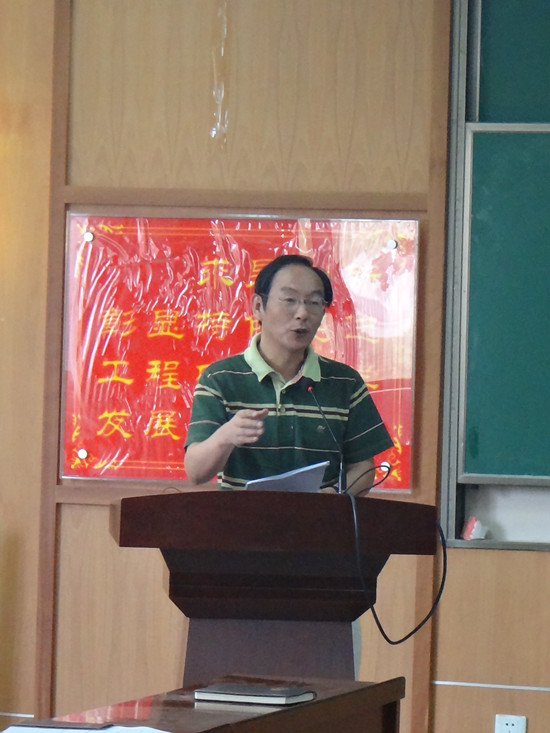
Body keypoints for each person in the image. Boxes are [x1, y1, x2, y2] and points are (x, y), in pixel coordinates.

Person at [184, 254, 393, 495]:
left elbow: (363, 468)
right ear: (258, 307)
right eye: (289, 300)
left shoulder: (345, 382)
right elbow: (196, 472)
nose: (302, 313)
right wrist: (226, 436)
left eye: (314, 302)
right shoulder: (220, 378)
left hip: (320, 518)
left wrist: (334, 498)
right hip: (242, 518)